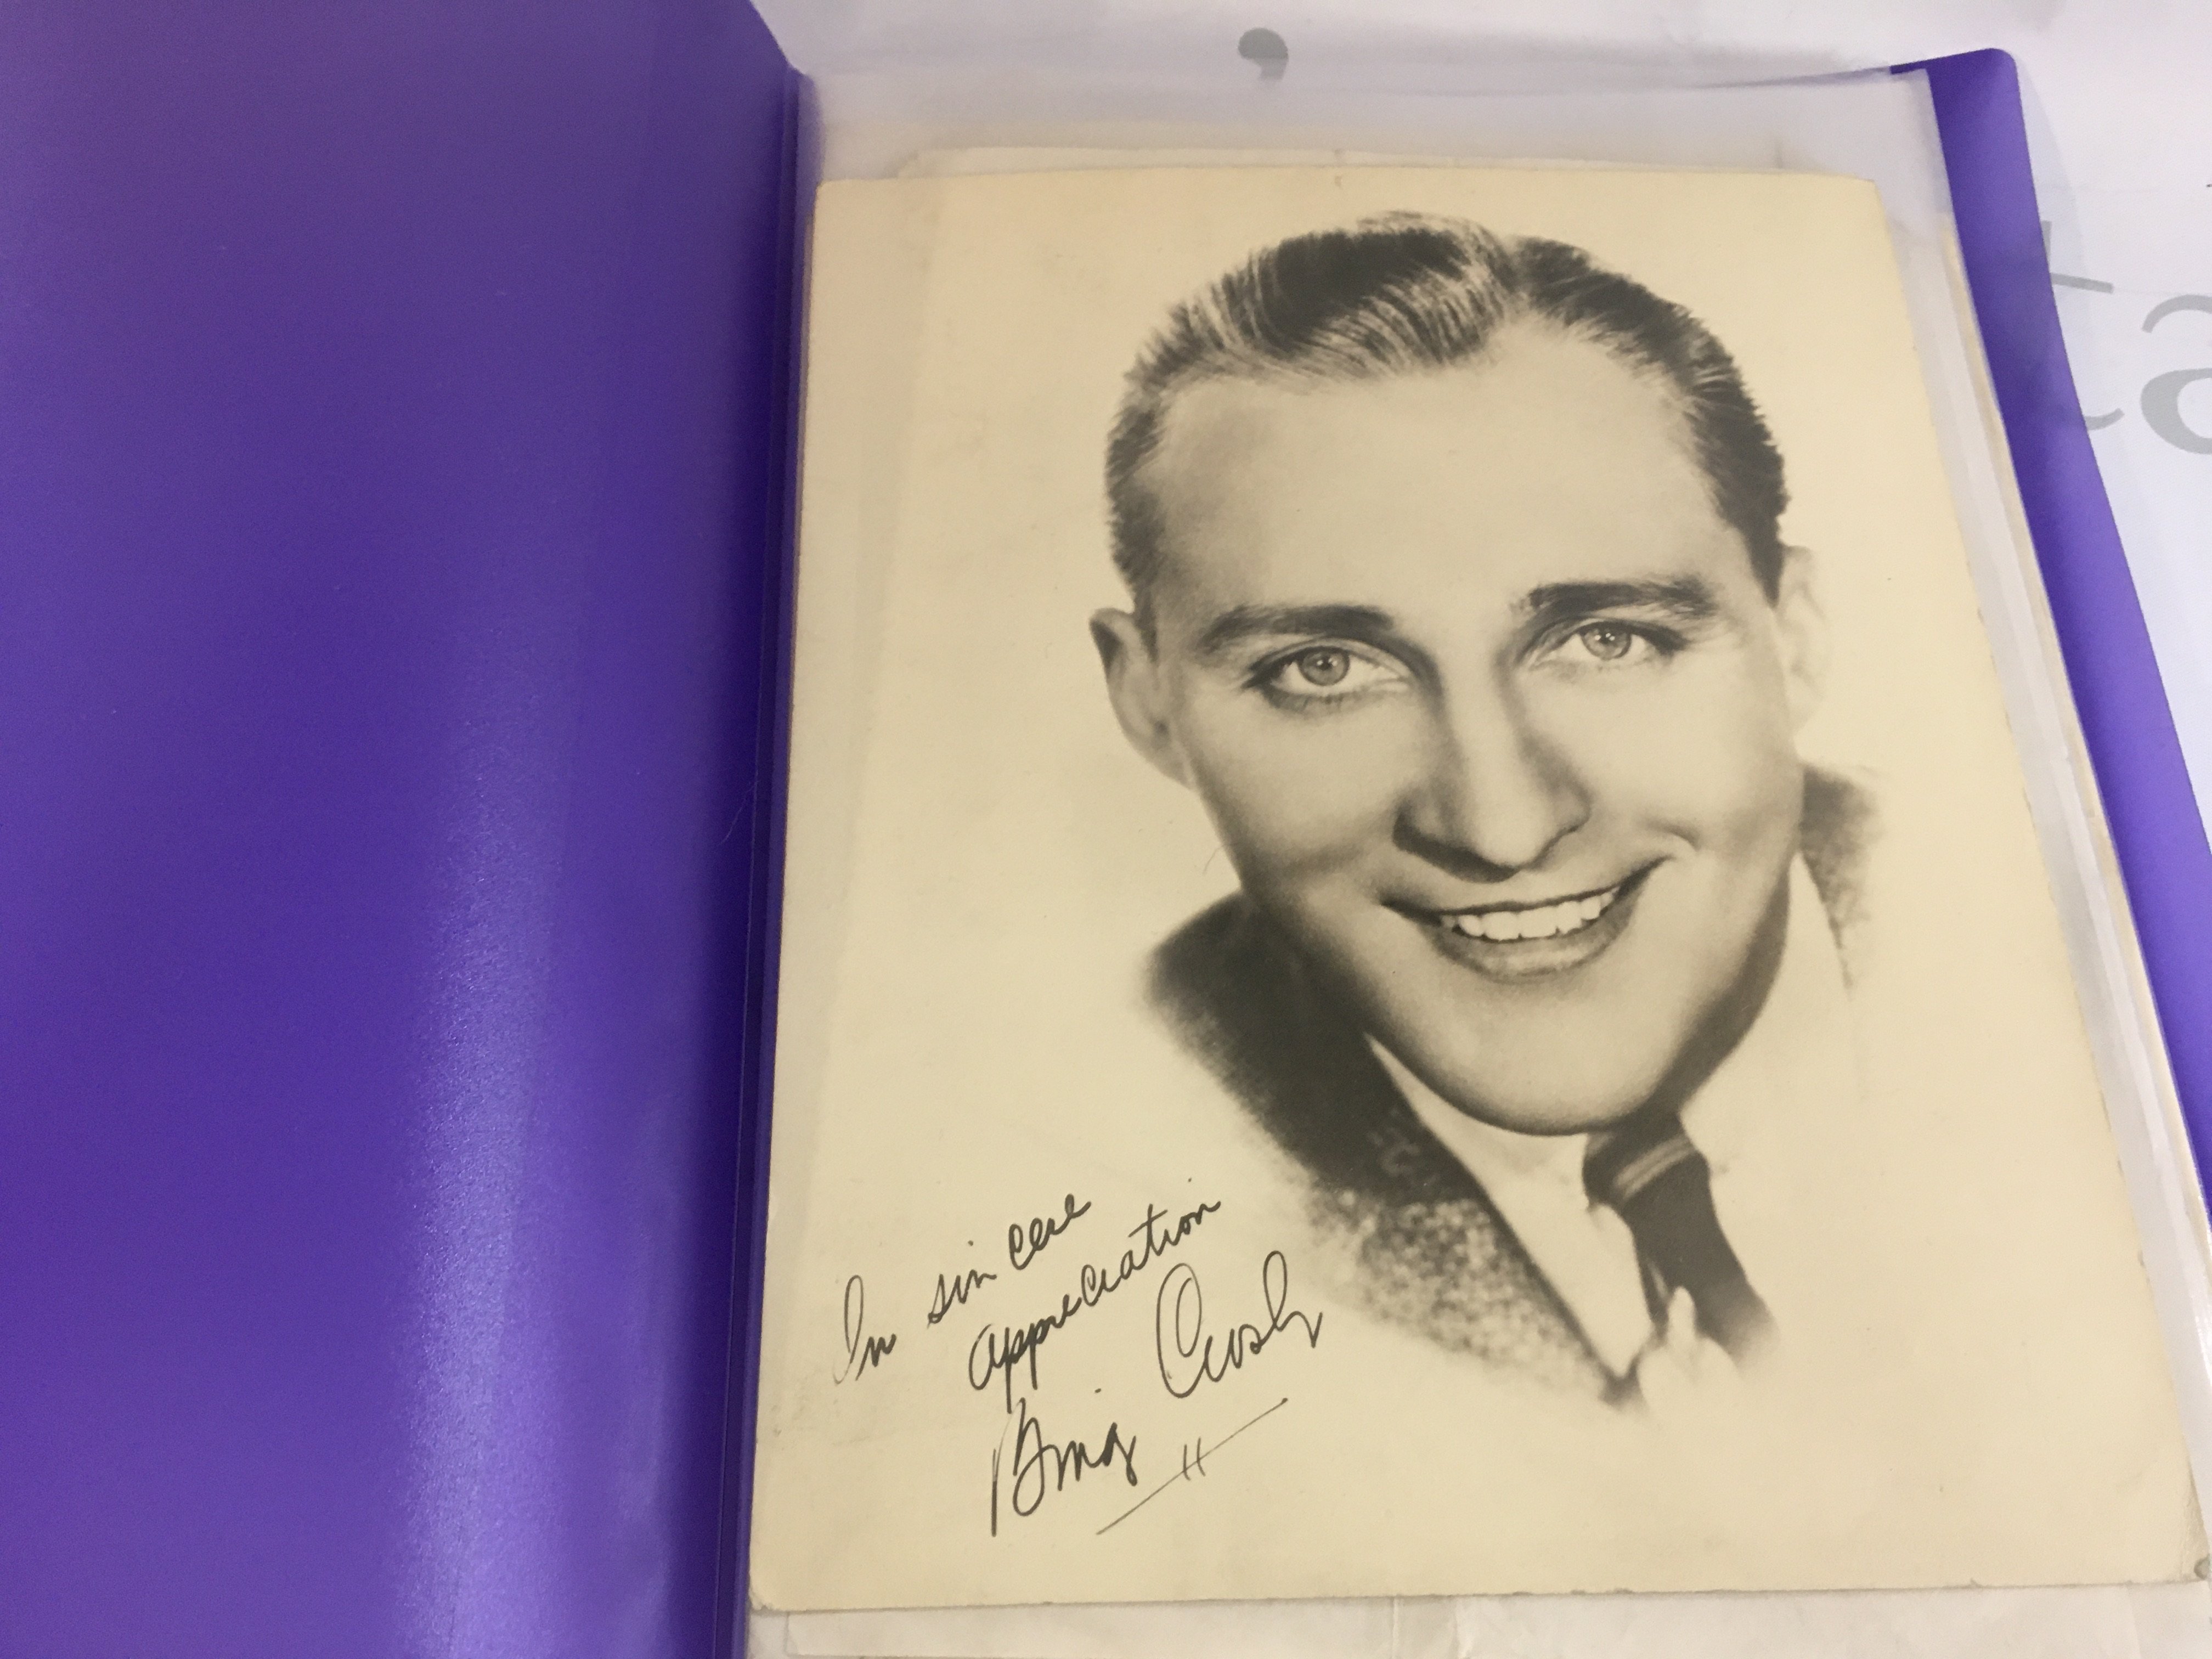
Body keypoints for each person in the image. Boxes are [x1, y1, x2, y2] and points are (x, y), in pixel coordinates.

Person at [1088, 212, 1871, 1405]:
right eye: (1325, 670)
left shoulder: (2025, 945)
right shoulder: (1111, 1134)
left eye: (1607, 640)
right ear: (1150, 706)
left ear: (1794, 639)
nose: (1499, 830)